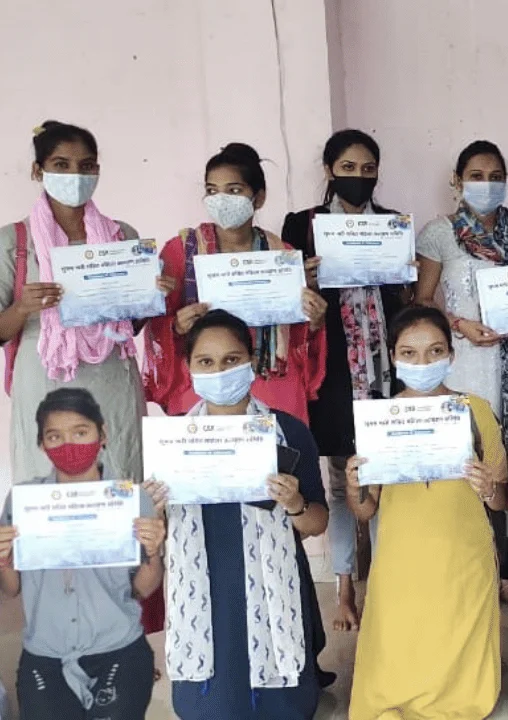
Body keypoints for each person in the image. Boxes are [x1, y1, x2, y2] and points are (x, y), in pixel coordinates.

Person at [148, 310, 329, 719]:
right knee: (213, 703)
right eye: (206, 362)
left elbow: (317, 523)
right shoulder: (170, 442)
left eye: (231, 360)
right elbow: (154, 533)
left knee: (281, 704)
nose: (220, 372)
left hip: (274, 585)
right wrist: (152, 511)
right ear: (188, 367)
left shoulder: (288, 432)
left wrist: (295, 503)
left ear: (251, 361)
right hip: (204, 588)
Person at [345, 306, 506, 719]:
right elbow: (365, 510)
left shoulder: (476, 411)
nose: (423, 363)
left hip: (463, 555)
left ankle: (456, 699)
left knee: (458, 637)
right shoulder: (379, 421)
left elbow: (500, 501)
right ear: (393, 357)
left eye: (435, 351)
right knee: (404, 637)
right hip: (402, 557)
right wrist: (353, 484)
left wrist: (489, 487)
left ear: (451, 355)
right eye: (410, 353)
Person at [280, 129, 409, 634]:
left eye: (368, 169)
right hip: (332, 372)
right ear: (329, 170)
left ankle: (385, 583)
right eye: (348, 168)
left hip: (385, 371)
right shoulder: (303, 225)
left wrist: (404, 273)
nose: (359, 177)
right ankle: (345, 588)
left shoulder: (392, 224)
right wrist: (304, 280)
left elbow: (403, 300)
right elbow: (286, 299)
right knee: (339, 482)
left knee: (383, 478)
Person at [414, 139, 508, 613]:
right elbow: (423, 301)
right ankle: (475, 573)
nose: (486, 184)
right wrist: (459, 325)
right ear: (457, 181)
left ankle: (507, 577)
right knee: (471, 468)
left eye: (495, 176)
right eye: (476, 176)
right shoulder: (439, 233)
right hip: (463, 365)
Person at [1, 120, 167, 485]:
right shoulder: (13, 242)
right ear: (38, 171)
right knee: (49, 486)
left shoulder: (121, 235)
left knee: (121, 478)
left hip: (114, 380)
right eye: (61, 165)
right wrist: (21, 308)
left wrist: (148, 296)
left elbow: (129, 326)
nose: (75, 176)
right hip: (46, 383)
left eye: (86, 166)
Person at [0, 388, 164, 719]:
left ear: (102, 434)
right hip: (45, 655)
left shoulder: (131, 500)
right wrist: (3, 559)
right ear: (41, 444)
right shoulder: (23, 502)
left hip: (119, 649)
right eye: (54, 436)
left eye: (80, 432)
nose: (69, 444)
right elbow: (12, 588)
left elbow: (142, 589)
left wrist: (154, 551)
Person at [143, 143, 328, 423]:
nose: (221, 200)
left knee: (279, 448)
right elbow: (157, 323)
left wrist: (314, 319)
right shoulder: (180, 251)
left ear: (259, 198)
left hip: (270, 381)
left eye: (234, 190)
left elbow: (298, 337)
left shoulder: (282, 255)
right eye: (212, 191)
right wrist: (176, 326)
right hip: (206, 384)